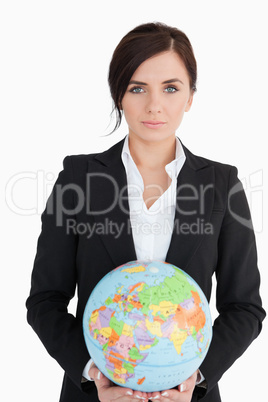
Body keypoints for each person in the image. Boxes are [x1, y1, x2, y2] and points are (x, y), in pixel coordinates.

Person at [26, 22, 266, 402]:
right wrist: (94, 375)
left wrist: (196, 379)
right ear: (119, 95)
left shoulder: (222, 183)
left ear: (189, 97)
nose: (155, 105)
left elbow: (245, 308)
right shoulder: (78, 178)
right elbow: (45, 300)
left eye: (171, 88)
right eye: (138, 88)